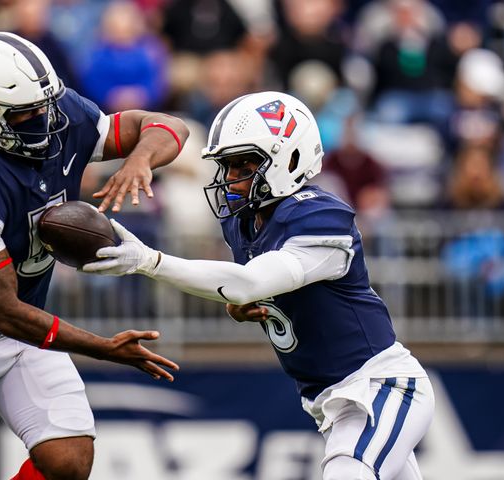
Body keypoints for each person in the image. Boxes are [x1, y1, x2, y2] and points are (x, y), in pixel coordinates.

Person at [83, 91, 434, 479]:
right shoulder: (245, 220)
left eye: (244, 165)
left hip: (378, 387)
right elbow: (250, 287)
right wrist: (244, 304)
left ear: (291, 158)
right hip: (332, 398)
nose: (232, 179)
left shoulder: (318, 215)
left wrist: (150, 261)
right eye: (228, 167)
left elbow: (247, 282)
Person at [0, 32, 186, 480]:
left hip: (27, 326)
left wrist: (139, 159)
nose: (43, 120)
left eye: (45, 106)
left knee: (69, 461)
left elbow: (166, 125)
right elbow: (3, 313)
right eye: (24, 113)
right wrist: (102, 348)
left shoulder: (62, 114)